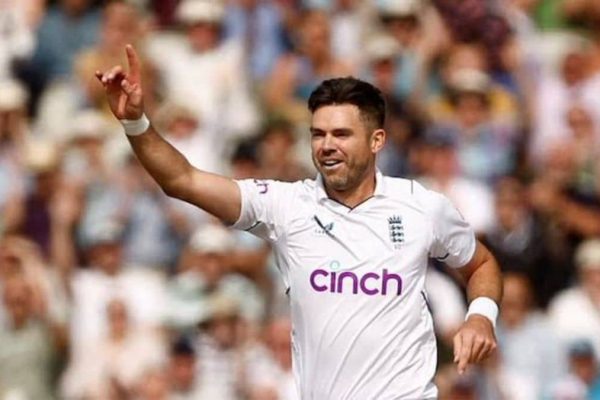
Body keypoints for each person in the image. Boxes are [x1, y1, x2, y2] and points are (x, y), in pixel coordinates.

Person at [95, 45, 502, 399]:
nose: (327, 145)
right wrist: (136, 123)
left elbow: (481, 264)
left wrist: (481, 316)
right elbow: (182, 180)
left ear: (377, 140)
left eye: (341, 134)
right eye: (318, 134)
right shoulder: (287, 206)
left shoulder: (421, 207)